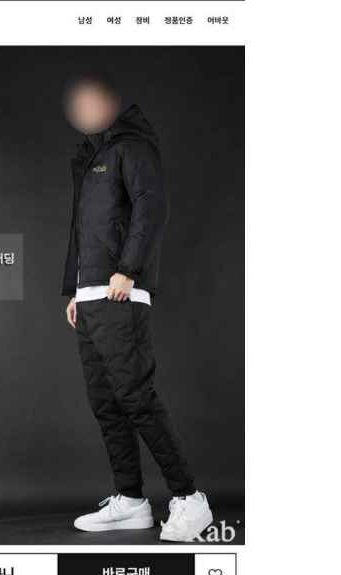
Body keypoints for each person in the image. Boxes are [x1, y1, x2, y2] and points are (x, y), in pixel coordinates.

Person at [61, 73, 213, 542]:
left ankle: (190, 499)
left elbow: (151, 207)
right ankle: (130, 501)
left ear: (112, 103)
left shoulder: (132, 147)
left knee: (136, 398)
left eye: (93, 101)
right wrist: (74, 290)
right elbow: (82, 230)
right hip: (91, 296)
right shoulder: (92, 158)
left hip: (120, 292)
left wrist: (127, 270)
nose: (84, 109)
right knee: (105, 403)